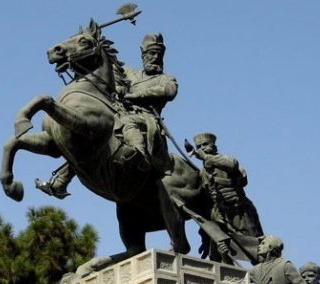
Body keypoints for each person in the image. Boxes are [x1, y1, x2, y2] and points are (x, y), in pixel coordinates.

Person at [36, 33, 178, 199]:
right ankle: (62, 179)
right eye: (151, 53)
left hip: (145, 119)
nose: (155, 57)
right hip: (120, 111)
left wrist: (136, 95)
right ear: (143, 55)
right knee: (92, 133)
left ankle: (140, 156)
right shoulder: (130, 73)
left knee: (125, 122)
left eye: (158, 54)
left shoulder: (165, 78)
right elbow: (107, 72)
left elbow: (170, 91)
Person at [190, 132, 264, 263]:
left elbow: (232, 166)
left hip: (238, 209)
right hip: (219, 212)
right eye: (199, 146)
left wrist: (207, 158)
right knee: (219, 245)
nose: (202, 148)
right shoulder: (203, 172)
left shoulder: (226, 159)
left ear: (213, 145)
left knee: (256, 247)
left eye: (205, 145)